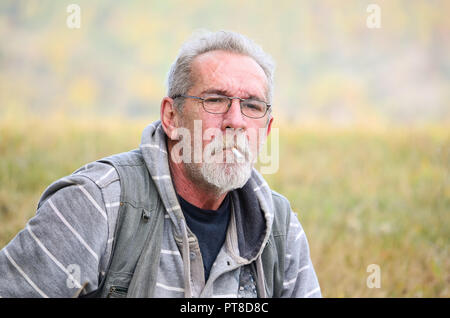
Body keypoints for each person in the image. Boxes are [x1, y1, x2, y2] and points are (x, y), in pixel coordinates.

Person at [0, 30, 321, 298]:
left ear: (265, 129)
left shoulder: (279, 229)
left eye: (252, 105)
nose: (235, 121)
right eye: (215, 100)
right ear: (171, 116)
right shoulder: (97, 204)